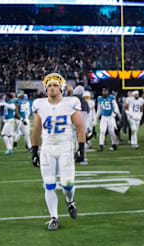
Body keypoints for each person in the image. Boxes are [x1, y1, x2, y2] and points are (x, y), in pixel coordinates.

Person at [30, 73, 86, 231]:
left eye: (55, 85)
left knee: (67, 184)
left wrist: (81, 149)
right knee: (49, 184)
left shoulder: (70, 103)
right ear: (45, 89)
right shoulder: (39, 104)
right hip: (47, 148)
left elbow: (80, 127)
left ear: (60, 88)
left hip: (65, 147)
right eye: (49, 86)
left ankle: (70, 201)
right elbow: (36, 129)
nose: (52, 88)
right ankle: (54, 217)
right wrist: (34, 152)